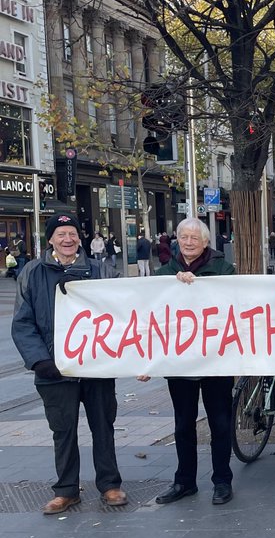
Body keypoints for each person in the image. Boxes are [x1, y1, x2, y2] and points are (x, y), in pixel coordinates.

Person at [11, 212, 128, 514]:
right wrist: (40, 361)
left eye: (72, 233)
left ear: (80, 237)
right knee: (63, 431)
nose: (67, 239)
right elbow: (23, 323)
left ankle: (110, 485)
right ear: (49, 239)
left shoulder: (100, 271)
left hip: (96, 367)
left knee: (103, 426)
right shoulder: (32, 273)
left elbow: (125, 310)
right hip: (54, 369)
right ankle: (66, 490)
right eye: (61, 234)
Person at [151, 218, 236, 506]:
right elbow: (150, 316)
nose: (188, 242)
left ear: (206, 242)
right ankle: (184, 481)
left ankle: (222, 481)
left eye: (194, 238)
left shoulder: (223, 269)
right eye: (183, 237)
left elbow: (235, 304)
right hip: (180, 363)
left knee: (220, 424)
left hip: (216, 360)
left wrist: (198, 287)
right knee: (183, 424)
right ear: (176, 239)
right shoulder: (164, 273)